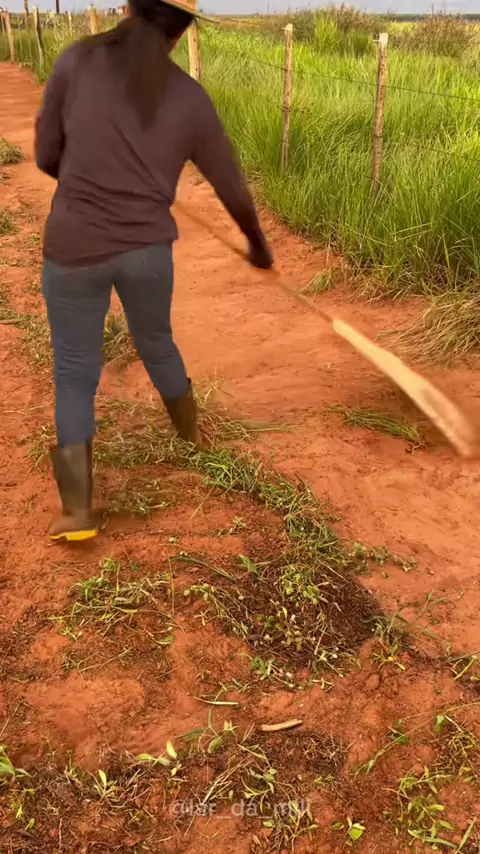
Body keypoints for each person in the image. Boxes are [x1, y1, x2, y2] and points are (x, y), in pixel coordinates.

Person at [35, 0, 273, 543]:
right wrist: (259, 247)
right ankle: (191, 439)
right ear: (181, 32)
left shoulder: (76, 61)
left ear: (127, 8)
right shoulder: (190, 97)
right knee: (157, 341)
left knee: (74, 370)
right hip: (146, 253)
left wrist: (86, 173)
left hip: (72, 246)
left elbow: (47, 156)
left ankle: (77, 513)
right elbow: (232, 187)